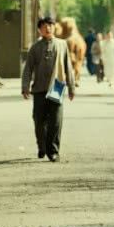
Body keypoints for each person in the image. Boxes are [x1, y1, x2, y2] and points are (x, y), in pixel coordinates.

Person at [22, 17, 75, 163]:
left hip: (57, 87)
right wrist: (25, 86)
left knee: (56, 121)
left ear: (54, 27)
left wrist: (71, 87)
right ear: (40, 29)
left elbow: (68, 67)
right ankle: (42, 146)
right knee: (39, 121)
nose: (48, 28)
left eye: (51, 25)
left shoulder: (62, 44)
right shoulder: (35, 47)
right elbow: (28, 68)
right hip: (39, 89)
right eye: (45, 26)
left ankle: (53, 151)